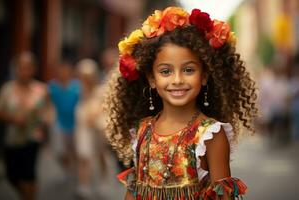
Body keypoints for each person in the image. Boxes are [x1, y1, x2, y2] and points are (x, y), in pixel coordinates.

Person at [105, 7, 257, 199]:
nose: (177, 79)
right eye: (166, 71)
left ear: (204, 76)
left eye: (188, 70)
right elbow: (133, 192)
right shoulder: (143, 131)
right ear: (152, 79)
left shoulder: (211, 135)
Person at [0, 52, 48, 200]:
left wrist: (42, 122)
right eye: (21, 67)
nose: (24, 71)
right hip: (11, 139)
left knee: (28, 174)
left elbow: (47, 113)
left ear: (33, 69)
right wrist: (13, 119)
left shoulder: (41, 90)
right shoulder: (7, 89)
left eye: (28, 67)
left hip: (32, 139)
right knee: (12, 175)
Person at [75, 59, 108, 198]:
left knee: (100, 154)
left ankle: (103, 180)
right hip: (83, 128)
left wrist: (95, 115)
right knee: (84, 156)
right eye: (83, 76)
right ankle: (84, 185)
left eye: (88, 76)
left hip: (98, 127)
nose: (86, 79)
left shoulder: (100, 90)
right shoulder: (78, 90)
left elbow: (104, 108)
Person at [48, 60, 81, 175]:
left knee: (75, 149)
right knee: (60, 151)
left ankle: (76, 170)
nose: (64, 73)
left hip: (75, 123)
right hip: (59, 122)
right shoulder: (52, 87)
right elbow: (47, 104)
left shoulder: (77, 86)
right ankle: (67, 168)